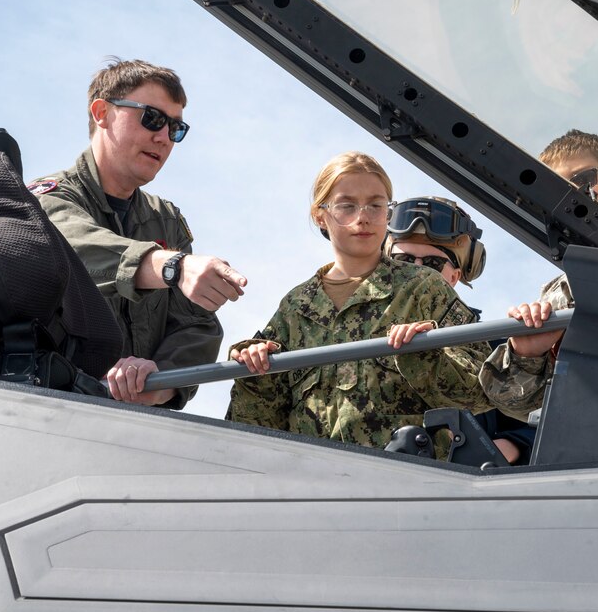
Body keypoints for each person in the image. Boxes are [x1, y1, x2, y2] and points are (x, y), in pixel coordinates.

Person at [226, 154, 491, 449]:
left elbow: (481, 392)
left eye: (376, 205)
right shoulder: (296, 306)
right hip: (310, 482)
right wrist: (254, 371)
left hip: (405, 484)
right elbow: (254, 428)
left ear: (387, 215)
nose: (363, 217)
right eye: (347, 206)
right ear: (320, 215)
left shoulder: (424, 288)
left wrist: (424, 355)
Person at [31, 58, 245, 409]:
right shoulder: (49, 198)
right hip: (56, 413)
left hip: (140, 428)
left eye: (175, 128)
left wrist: (160, 381)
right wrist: (174, 267)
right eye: (152, 118)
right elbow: (75, 247)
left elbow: (196, 324)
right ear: (102, 113)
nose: (163, 137)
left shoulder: (166, 220)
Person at [480, 130, 598, 424]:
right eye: (558, 194)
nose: (575, 199)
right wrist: (526, 354)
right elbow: (519, 406)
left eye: (583, 180)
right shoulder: (558, 294)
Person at [384, 196, 532, 464]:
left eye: (432, 264)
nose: (416, 273)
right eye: (403, 260)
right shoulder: (346, 335)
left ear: (455, 276)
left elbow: (540, 418)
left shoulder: (494, 348)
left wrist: (510, 444)